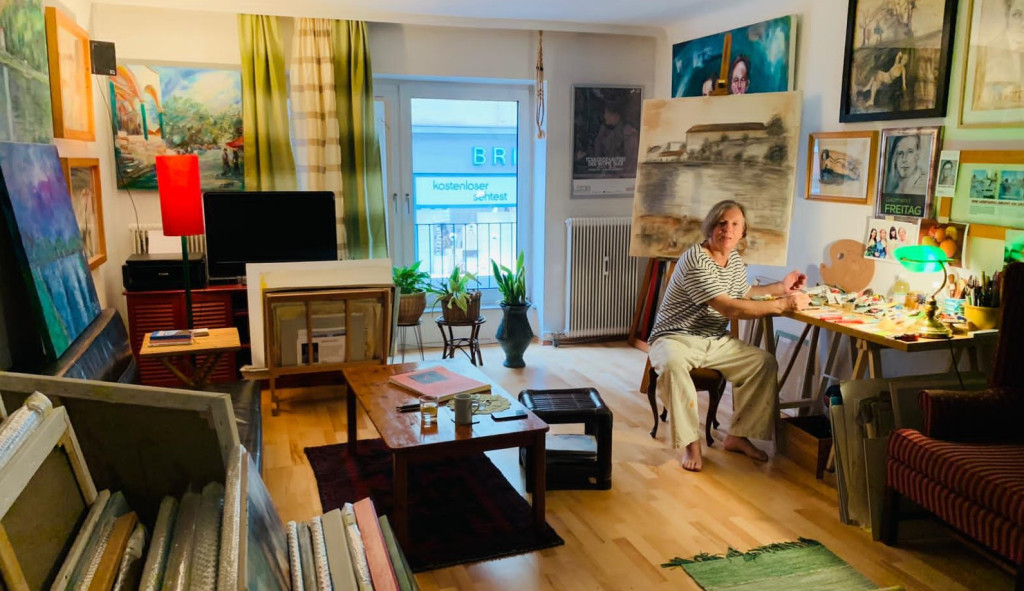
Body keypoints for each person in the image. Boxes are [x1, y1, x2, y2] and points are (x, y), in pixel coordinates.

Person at [648, 200, 811, 472]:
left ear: (743, 231)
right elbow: (729, 307)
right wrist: (782, 305)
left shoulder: (733, 259)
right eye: (722, 223)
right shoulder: (696, 259)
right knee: (674, 365)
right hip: (674, 337)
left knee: (763, 363)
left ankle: (738, 435)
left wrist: (781, 288)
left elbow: (744, 293)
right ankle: (691, 443)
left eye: (735, 224)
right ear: (710, 227)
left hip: (713, 339)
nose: (728, 229)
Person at [592, 96, 639, 176]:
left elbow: (631, 165)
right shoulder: (605, 132)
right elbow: (598, 157)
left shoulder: (630, 134)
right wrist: (599, 139)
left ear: (616, 114)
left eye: (607, 113)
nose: (605, 116)